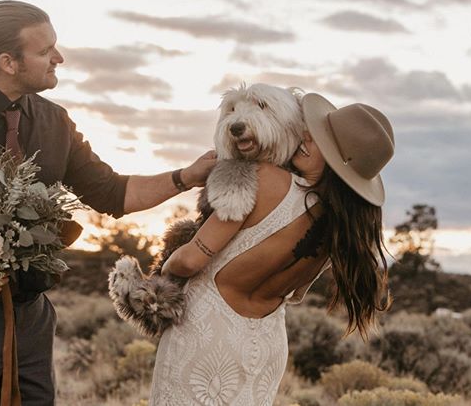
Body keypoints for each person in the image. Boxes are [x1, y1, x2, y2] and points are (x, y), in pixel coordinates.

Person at [0, 0, 215, 406]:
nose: (59, 58)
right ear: (8, 61)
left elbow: (113, 192)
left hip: (32, 322)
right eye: (45, 51)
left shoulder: (56, 123)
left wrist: (186, 177)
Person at [149, 93, 395, 405]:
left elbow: (190, 259)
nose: (304, 137)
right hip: (266, 348)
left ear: (337, 160)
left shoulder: (262, 177)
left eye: (317, 139)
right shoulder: (339, 231)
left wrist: (165, 270)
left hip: (208, 337)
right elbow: (296, 294)